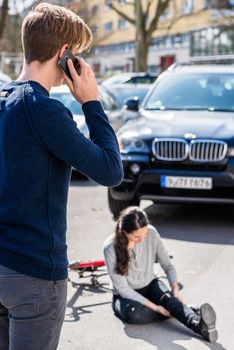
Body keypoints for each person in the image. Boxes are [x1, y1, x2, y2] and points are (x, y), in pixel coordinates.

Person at [0, 3, 123, 350]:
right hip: (34, 275)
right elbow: (111, 171)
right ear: (64, 54)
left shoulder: (4, 99)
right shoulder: (45, 111)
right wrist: (92, 102)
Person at [103, 207, 218, 343]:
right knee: (135, 314)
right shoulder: (110, 247)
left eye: (144, 234)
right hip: (124, 296)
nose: (142, 239)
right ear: (124, 232)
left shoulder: (151, 233)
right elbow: (123, 289)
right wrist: (156, 307)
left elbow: (167, 265)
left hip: (150, 284)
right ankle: (187, 309)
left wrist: (175, 290)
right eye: (136, 236)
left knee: (170, 300)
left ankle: (198, 325)